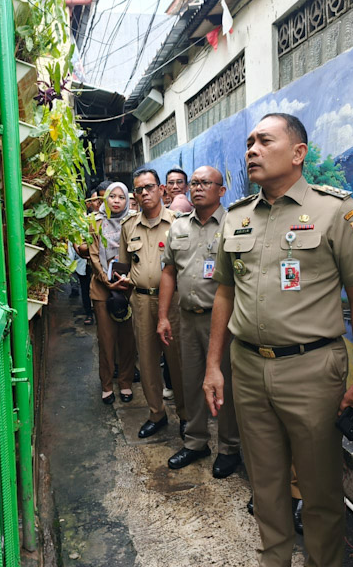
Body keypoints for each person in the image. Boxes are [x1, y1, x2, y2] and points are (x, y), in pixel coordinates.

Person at [204, 113, 353, 567]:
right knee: (264, 486)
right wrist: (213, 366)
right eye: (249, 142)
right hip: (246, 368)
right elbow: (224, 293)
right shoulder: (238, 216)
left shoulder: (335, 210)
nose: (251, 150)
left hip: (312, 371)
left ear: (298, 153)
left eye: (264, 141)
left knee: (321, 491)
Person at [157, 166, 241, 477]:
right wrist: (163, 316)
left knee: (225, 384)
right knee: (190, 381)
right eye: (194, 183)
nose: (197, 187)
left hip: (224, 321)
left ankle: (230, 447)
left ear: (221, 190)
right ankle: (195, 441)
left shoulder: (235, 225)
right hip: (187, 319)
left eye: (205, 183)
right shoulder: (178, 227)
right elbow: (168, 273)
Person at [119, 168, 187, 438]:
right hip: (141, 301)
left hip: (173, 302)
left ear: (162, 189)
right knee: (147, 362)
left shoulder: (179, 223)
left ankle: (186, 416)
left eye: (149, 187)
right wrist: (119, 284)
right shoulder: (129, 227)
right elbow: (123, 265)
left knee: (178, 361)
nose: (144, 193)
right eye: (139, 189)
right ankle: (156, 413)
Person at [88, 182, 137, 405]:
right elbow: (93, 255)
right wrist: (106, 280)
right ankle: (107, 384)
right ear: (105, 199)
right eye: (112, 196)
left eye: (121, 197)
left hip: (128, 288)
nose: (116, 201)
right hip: (102, 289)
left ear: (127, 200)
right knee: (106, 340)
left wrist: (127, 279)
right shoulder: (95, 222)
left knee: (128, 340)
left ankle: (125, 382)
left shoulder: (133, 222)